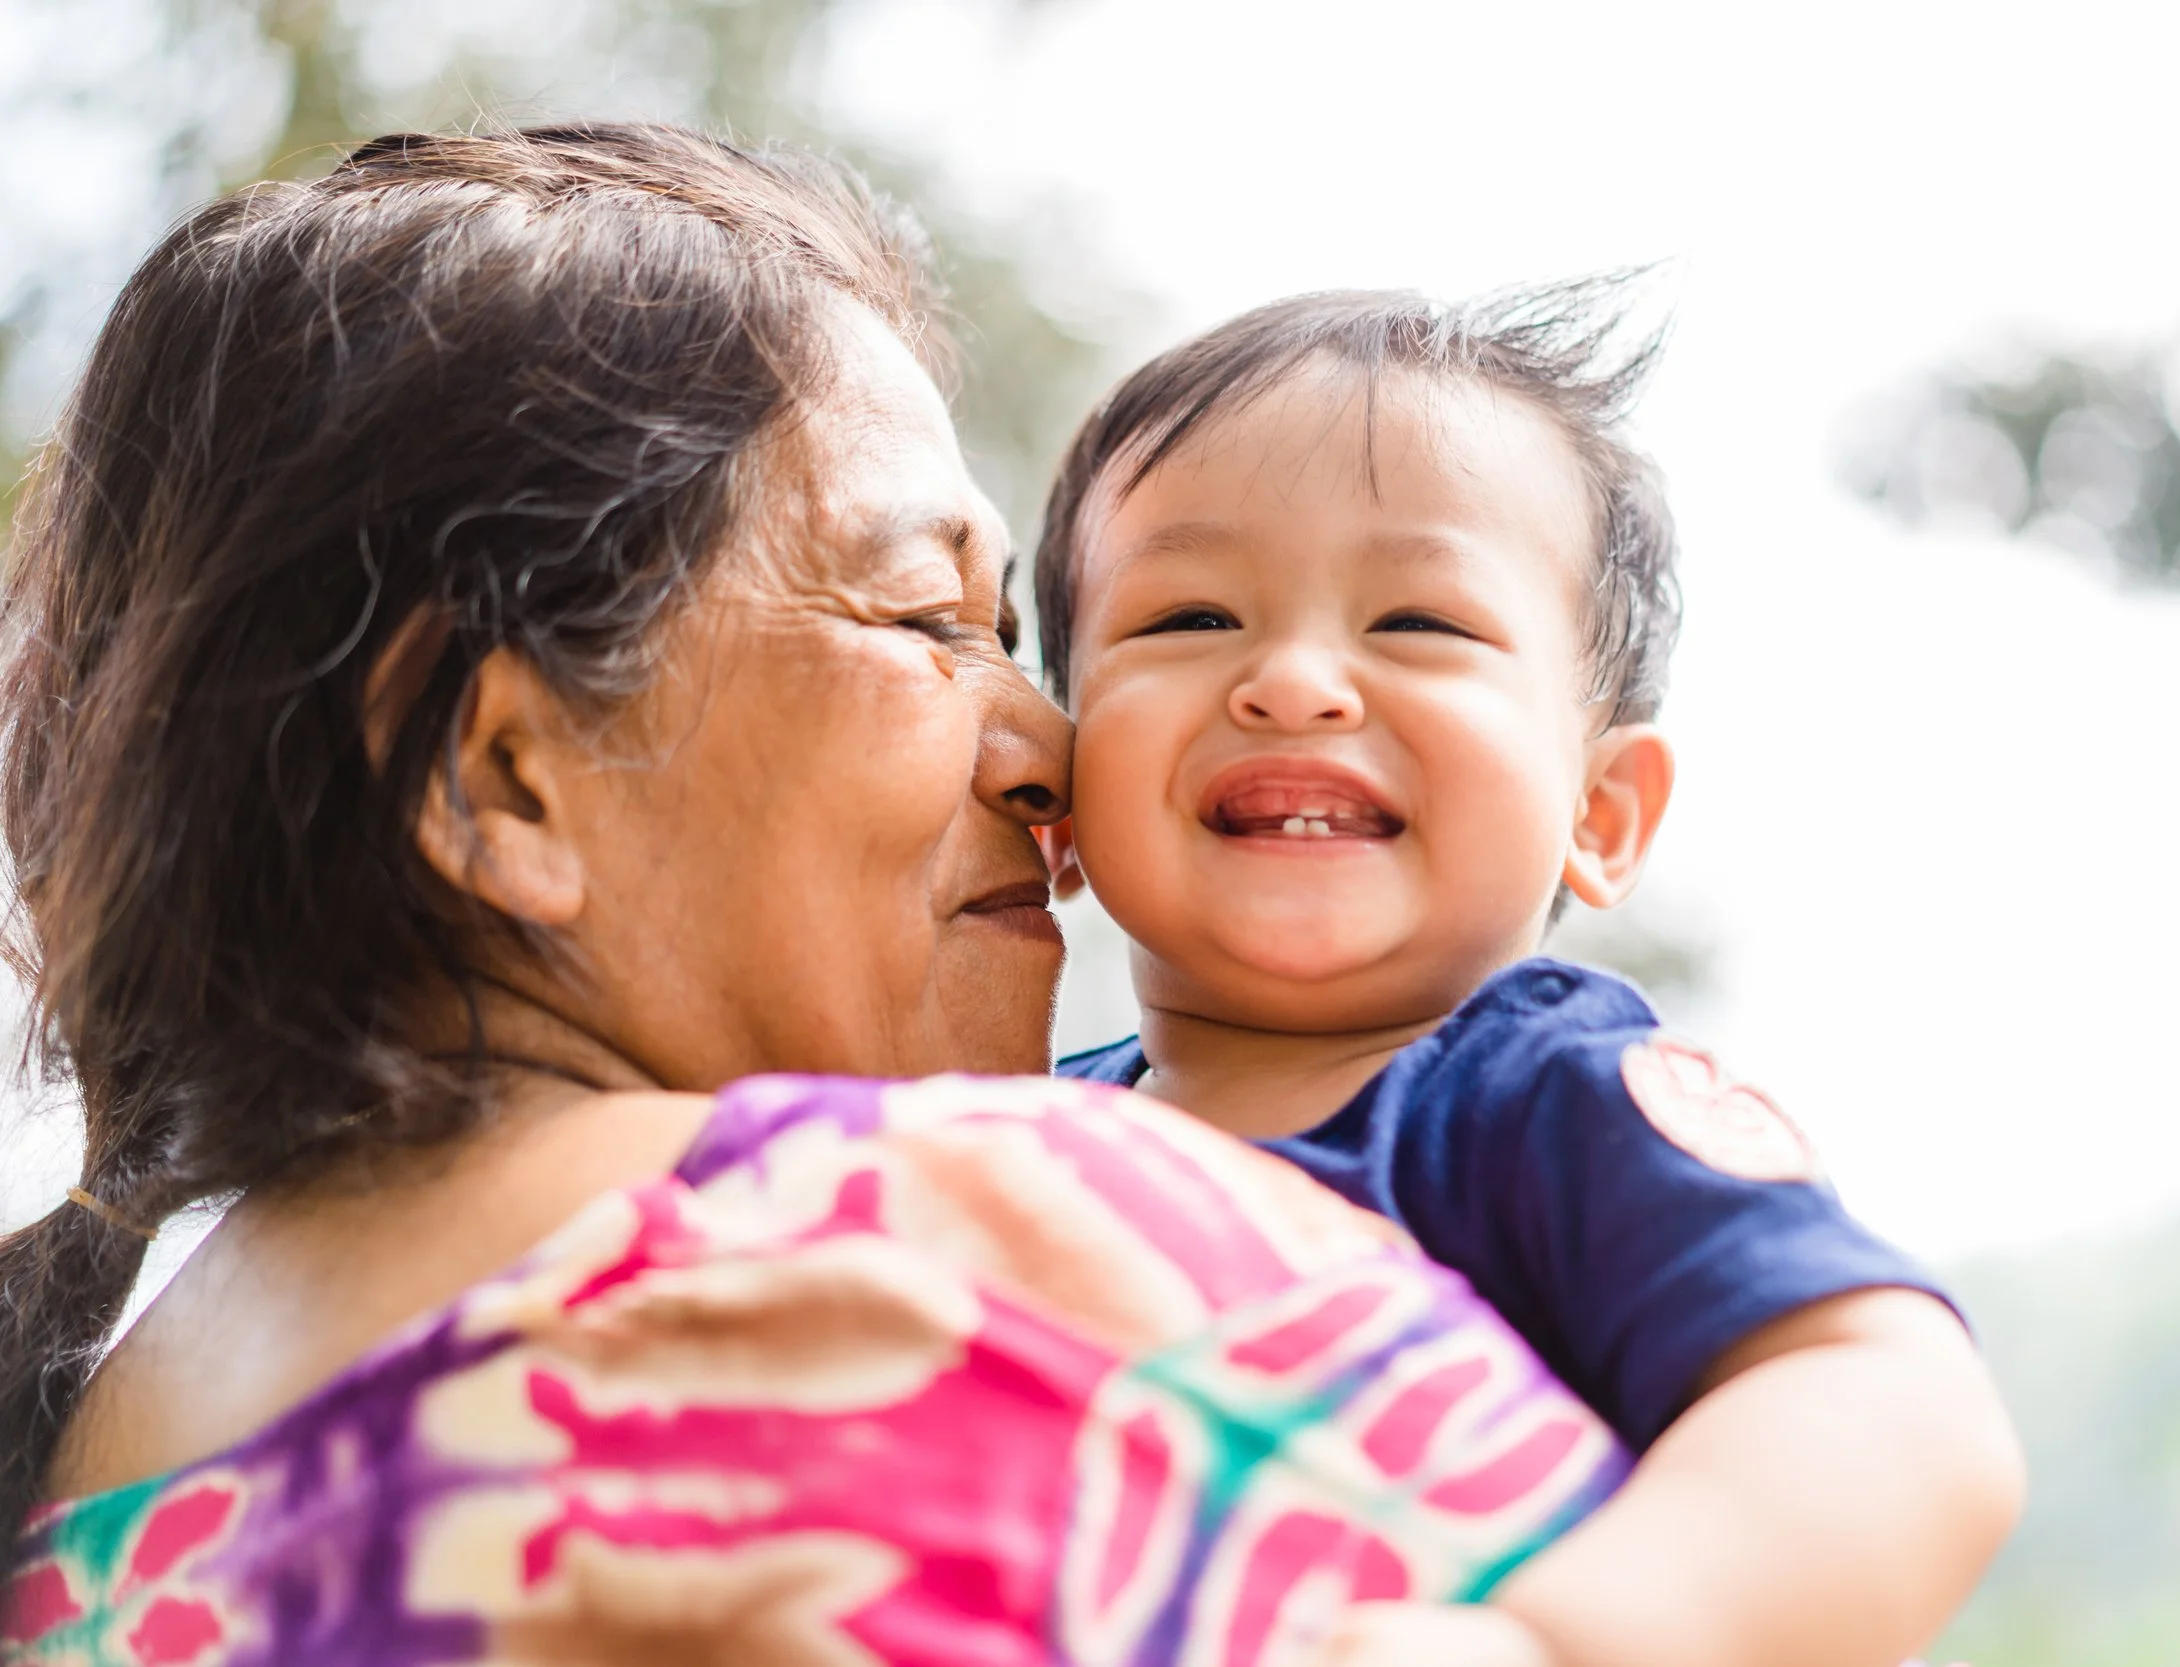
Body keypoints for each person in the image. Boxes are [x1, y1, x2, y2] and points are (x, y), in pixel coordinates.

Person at [0, 126, 1673, 1667]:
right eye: (925, 620)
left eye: (1016, 639)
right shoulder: (992, 1246)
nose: (1050, 748)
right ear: (491, 777)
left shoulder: (73, 1510)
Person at [1035, 282, 2028, 1664]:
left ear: (1600, 811)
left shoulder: (1547, 1100)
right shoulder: (999, 1133)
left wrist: (1549, 1645)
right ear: (1058, 793)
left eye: (1420, 623)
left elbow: (1896, 1409)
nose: (1296, 682)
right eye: (1191, 615)